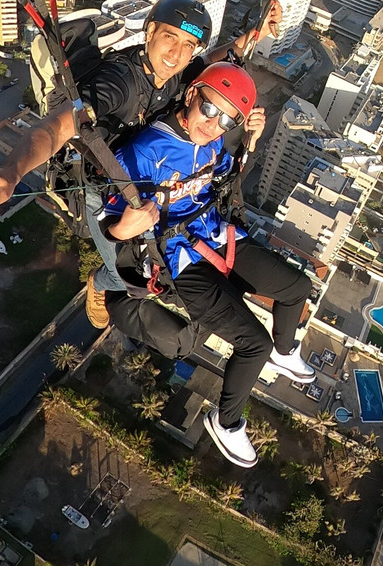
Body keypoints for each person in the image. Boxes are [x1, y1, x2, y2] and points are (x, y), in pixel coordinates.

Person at [0, 0, 281, 331]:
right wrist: (13, 170)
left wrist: (255, 34)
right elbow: (56, 128)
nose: (176, 54)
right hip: (100, 190)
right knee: (132, 275)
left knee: (162, 263)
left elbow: (212, 61)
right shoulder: (119, 83)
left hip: (139, 179)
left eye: (187, 44)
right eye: (169, 38)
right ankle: (100, 284)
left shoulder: (173, 75)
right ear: (150, 33)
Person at [102, 63, 315, 468]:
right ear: (190, 97)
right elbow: (103, 222)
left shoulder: (214, 144)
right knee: (254, 345)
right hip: (177, 258)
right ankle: (227, 420)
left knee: (297, 289)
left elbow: (225, 176)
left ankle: (286, 351)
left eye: (226, 119)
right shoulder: (144, 152)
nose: (214, 124)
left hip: (214, 232)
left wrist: (249, 139)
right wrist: (121, 230)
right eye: (209, 110)